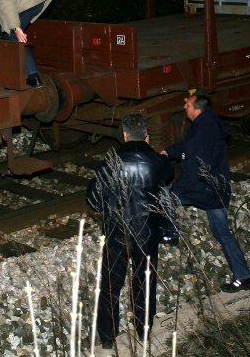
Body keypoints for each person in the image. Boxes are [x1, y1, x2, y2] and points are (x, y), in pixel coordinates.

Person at [86, 114, 174, 350]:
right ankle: (143, 330)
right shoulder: (158, 162)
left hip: (117, 232)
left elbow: (93, 199)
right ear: (146, 135)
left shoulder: (110, 163)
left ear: (124, 135)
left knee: (111, 285)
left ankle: (107, 337)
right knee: (144, 282)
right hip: (147, 233)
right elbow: (166, 184)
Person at [161, 89, 250, 294]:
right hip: (217, 189)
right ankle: (244, 276)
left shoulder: (201, 131)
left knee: (165, 196)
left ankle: (170, 234)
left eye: (187, 105)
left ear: (196, 109)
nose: (184, 107)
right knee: (222, 232)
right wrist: (169, 151)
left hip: (203, 189)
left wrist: (179, 188)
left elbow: (196, 165)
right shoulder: (208, 123)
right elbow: (188, 148)